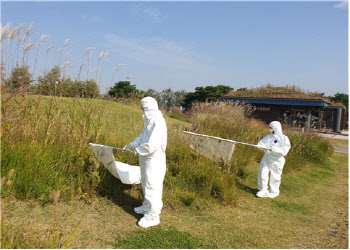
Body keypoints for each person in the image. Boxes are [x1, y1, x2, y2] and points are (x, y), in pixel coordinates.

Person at [123, 97, 167, 228]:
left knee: (152, 185)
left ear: (150, 108)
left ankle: (153, 216)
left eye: (144, 108)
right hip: (147, 158)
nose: (143, 110)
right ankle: (146, 206)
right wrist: (133, 144)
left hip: (154, 159)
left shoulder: (157, 121)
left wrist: (139, 149)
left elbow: (153, 143)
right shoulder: (150, 120)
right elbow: (144, 136)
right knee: (145, 182)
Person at [256, 121, 291, 198]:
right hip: (267, 158)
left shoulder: (284, 138)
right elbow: (262, 143)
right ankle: (263, 190)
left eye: (271, 128)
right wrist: (260, 145)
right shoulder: (269, 137)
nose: (270, 129)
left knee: (275, 176)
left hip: (277, 160)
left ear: (276, 128)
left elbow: (284, 151)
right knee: (263, 173)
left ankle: (274, 191)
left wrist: (273, 148)